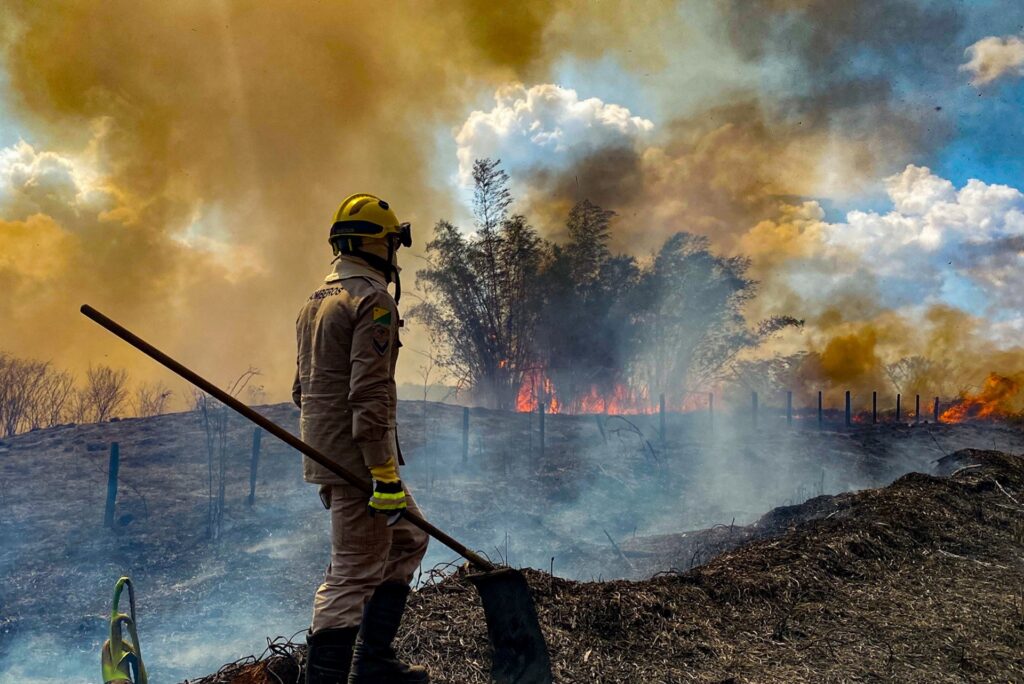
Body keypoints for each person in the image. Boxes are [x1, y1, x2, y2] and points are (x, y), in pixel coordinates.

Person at [292, 193, 429, 683]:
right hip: (359, 463)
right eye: (393, 243)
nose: (395, 254)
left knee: (410, 537)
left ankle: (374, 664)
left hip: (335, 454)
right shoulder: (373, 300)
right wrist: (382, 471)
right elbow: (370, 393)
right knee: (352, 572)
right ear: (379, 245)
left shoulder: (315, 302)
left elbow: (299, 390)